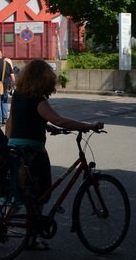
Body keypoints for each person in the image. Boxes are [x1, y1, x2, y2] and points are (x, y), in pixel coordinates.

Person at [8, 59, 103, 249]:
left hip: (14, 148)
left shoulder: (17, 96)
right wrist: (88, 126)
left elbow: (23, 119)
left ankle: (4, 223)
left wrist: (46, 126)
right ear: (44, 80)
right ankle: (32, 238)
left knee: (22, 191)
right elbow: (59, 120)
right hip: (32, 152)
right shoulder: (39, 101)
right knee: (41, 192)